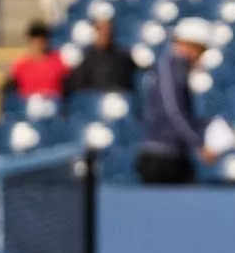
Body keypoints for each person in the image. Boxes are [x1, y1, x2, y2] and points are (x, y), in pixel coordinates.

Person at [136, 17, 218, 184]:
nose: (200, 57)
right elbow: (173, 110)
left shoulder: (174, 68)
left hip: (173, 155)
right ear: (191, 46)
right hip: (162, 161)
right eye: (201, 50)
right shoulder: (170, 66)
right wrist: (199, 144)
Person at [65, 18, 137, 94]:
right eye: (100, 31)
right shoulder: (86, 59)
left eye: (107, 32)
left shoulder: (123, 57)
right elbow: (78, 87)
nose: (104, 35)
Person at [3, 20, 69, 99]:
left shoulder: (58, 62)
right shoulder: (20, 66)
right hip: (27, 108)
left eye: (41, 41)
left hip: (53, 106)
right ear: (30, 42)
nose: (38, 44)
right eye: (34, 41)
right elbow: (9, 90)